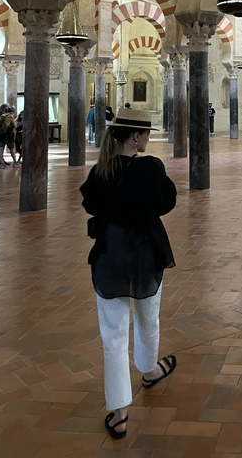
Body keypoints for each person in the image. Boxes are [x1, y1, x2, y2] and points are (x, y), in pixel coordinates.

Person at [80, 107, 177, 441]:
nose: (148, 140)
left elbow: (90, 205)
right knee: (149, 319)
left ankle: (120, 413)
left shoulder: (101, 171)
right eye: (147, 134)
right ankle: (149, 371)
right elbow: (167, 201)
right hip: (146, 255)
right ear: (135, 136)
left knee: (113, 335)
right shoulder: (150, 168)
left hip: (110, 256)